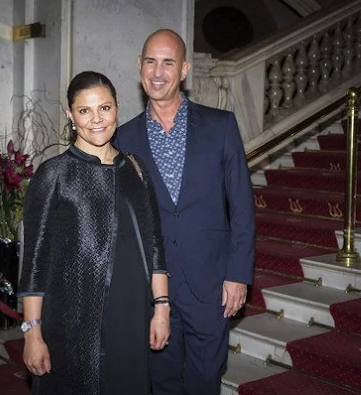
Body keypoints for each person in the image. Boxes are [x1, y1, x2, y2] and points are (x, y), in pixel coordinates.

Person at [114, 29, 255, 394]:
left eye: (168, 62)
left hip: (211, 282)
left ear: (184, 70)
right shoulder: (123, 139)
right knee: (160, 381)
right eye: (150, 61)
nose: (157, 72)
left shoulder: (220, 126)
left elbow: (241, 206)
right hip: (153, 287)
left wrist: (238, 275)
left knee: (205, 379)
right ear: (139, 67)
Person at [19, 70, 170, 395]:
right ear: (70, 115)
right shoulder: (54, 174)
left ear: (117, 108)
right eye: (85, 110)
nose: (96, 119)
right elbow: (34, 261)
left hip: (131, 312)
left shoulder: (135, 169)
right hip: (72, 320)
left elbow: (155, 245)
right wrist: (32, 332)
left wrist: (161, 308)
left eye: (105, 107)